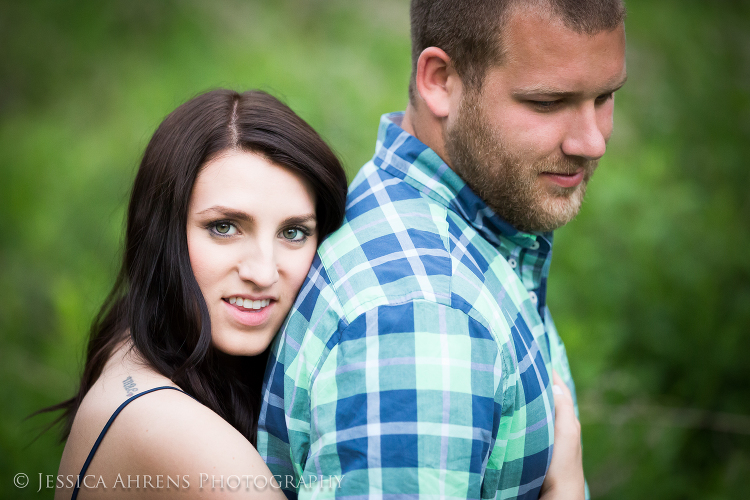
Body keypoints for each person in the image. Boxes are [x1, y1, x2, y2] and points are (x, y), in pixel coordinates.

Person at [257, 0, 627, 499]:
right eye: (547, 102)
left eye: (604, 97)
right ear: (439, 81)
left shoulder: (473, 234)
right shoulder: (423, 316)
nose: (592, 142)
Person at [49, 88, 349, 498]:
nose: (262, 273)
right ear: (162, 234)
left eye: (293, 232)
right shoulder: (170, 427)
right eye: (224, 227)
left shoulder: (139, 339)